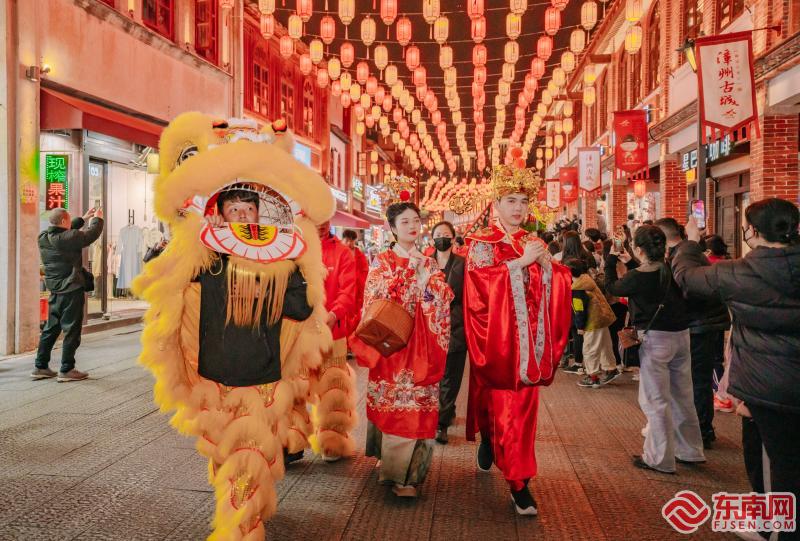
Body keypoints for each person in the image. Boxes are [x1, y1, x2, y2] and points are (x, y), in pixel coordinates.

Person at [133, 114, 335, 540]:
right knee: (227, 457)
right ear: (219, 215)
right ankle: (242, 513)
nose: (242, 216)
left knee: (248, 457)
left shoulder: (282, 262)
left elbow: (299, 311)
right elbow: (169, 288)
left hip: (262, 376)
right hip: (213, 374)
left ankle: (241, 528)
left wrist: (298, 267)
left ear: (263, 214)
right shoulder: (204, 258)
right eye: (233, 209)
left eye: (249, 209)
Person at [673, 198, 800, 524]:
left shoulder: (737, 273)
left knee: (774, 469)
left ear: (752, 231)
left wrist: (690, 241)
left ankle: (774, 527)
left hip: (766, 388)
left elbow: (687, 278)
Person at [463, 165, 572, 515]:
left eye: (523, 202)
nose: (518, 208)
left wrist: (549, 269)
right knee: (497, 408)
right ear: (496, 203)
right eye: (511, 201)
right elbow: (477, 288)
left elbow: (559, 281)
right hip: (497, 342)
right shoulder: (482, 243)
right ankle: (499, 456)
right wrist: (518, 265)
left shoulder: (534, 241)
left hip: (528, 350)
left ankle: (517, 476)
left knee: (521, 414)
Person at [349, 202, 453, 498]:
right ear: (392, 228)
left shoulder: (429, 261)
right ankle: (394, 469)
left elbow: (443, 299)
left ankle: (408, 476)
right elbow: (372, 297)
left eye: (415, 220)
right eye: (404, 221)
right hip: (392, 345)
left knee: (418, 407)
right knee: (393, 405)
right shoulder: (382, 261)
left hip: (421, 342)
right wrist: (406, 278)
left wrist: (424, 279)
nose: (412, 226)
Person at [605, 225, 705, 474]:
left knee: (656, 400)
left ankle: (659, 458)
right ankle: (691, 450)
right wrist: (631, 263)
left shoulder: (639, 275)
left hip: (656, 340)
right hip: (681, 336)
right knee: (683, 395)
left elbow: (614, 288)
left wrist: (610, 260)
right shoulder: (671, 267)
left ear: (639, 249)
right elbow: (648, 283)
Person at [655, 217, 730, 449]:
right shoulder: (682, 253)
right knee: (695, 379)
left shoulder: (685, 253)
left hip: (700, 324)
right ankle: (699, 428)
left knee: (697, 380)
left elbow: (687, 285)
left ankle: (701, 430)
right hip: (700, 323)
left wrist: (693, 240)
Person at [33, 207, 105, 382]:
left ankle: (40, 366)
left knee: (51, 329)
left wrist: (82, 218)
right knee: (72, 330)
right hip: (71, 289)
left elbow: (63, 232)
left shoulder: (43, 237)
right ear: (65, 222)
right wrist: (97, 219)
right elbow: (90, 234)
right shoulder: (70, 238)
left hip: (55, 290)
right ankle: (67, 369)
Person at [315, 221, 358, 463]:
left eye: (324, 217)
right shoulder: (295, 248)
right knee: (296, 390)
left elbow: (348, 291)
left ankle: (332, 441)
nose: (320, 224)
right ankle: (292, 444)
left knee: (334, 389)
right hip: (298, 332)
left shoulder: (342, 252)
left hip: (334, 330)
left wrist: (334, 314)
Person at [430, 221, 466, 445]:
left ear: (453, 239)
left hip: (456, 326)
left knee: (451, 378)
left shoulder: (463, 264)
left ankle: (441, 423)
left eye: (446, 235)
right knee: (434, 376)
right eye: (438, 235)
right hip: (431, 326)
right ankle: (439, 415)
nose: (442, 238)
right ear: (432, 239)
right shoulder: (426, 263)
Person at [564, 258, 620, 388]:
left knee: (590, 349)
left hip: (592, 321)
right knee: (605, 345)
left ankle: (592, 376)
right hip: (602, 317)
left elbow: (579, 310)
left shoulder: (577, 288)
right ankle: (611, 369)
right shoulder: (586, 279)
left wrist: (580, 326)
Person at [342, 229, 369, 333]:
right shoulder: (338, 253)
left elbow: (365, 271)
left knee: (354, 315)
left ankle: (352, 338)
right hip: (341, 289)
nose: (350, 243)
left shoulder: (359, 254)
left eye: (352, 241)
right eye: (347, 240)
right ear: (343, 240)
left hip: (355, 290)